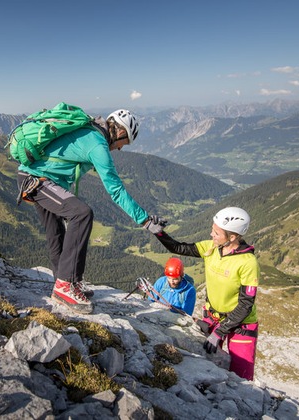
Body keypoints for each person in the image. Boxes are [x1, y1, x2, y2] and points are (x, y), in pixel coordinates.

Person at [16, 108, 166, 314]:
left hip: (35, 178)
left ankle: (67, 282)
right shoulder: (98, 145)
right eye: (126, 142)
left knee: (56, 232)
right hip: (37, 180)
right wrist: (145, 220)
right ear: (121, 133)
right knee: (81, 214)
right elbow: (116, 190)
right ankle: (64, 286)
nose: (122, 149)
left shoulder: (91, 131)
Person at [147, 207, 259, 380]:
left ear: (233, 237)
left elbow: (246, 304)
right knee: (207, 369)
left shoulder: (248, 263)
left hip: (241, 325)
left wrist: (219, 332)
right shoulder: (211, 248)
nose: (211, 234)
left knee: (241, 378)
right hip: (212, 319)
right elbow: (179, 247)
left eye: (216, 232)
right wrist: (159, 233)